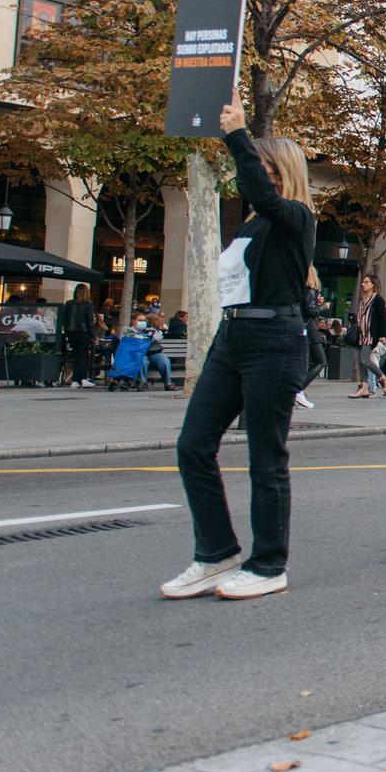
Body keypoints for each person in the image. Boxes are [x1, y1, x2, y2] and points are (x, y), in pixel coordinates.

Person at [160, 98, 314, 601]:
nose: (252, 178)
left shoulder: (296, 217)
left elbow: (265, 197)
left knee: (266, 457)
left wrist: (237, 136)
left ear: (280, 173)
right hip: (233, 337)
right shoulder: (254, 223)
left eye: (263, 169)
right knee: (193, 445)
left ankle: (269, 564)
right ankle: (216, 554)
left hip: (275, 340)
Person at [345, 276, 386, 398]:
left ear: (373, 284)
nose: (363, 284)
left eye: (366, 282)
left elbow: (382, 318)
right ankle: (364, 387)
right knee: (361, 361)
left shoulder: (378, 299)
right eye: (363, 282)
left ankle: (383, 378)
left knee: (365, 359)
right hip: (361, 335)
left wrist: (383, 335)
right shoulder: (362, 300)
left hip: (371, 335)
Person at [298, 272, 328, 410]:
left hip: (302, 326)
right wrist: (323, 307)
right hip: (309, 327)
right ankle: (298, 389)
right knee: (321, 360)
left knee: (303, 361)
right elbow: (312, 310)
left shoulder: (301, 289)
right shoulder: (310, 290)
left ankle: (297, 390)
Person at [60, 283, 97, 388]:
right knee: (83, 356)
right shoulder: (88, 304)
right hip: (83, 333)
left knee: (78, 356)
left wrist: (67, 333)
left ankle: (77, 379)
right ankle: (82, 379)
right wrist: (93, 336)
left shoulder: (69, 303)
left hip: (71, 333)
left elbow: (65, 320)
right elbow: (89, 322)